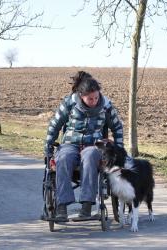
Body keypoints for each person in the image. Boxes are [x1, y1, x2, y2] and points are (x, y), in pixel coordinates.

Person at [44, 71, 124, 222]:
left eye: (96, 97)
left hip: (94, 145)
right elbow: (54, 125)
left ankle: (87, 206)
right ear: (81, 96)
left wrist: (119, 149)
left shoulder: (106, 106)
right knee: (63, 157)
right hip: (70, 144)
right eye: (90, 99)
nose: (94, 101)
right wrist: (47, 147)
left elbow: (117, 127)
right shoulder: (69, 103)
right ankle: (61, 208)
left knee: (90, 155)